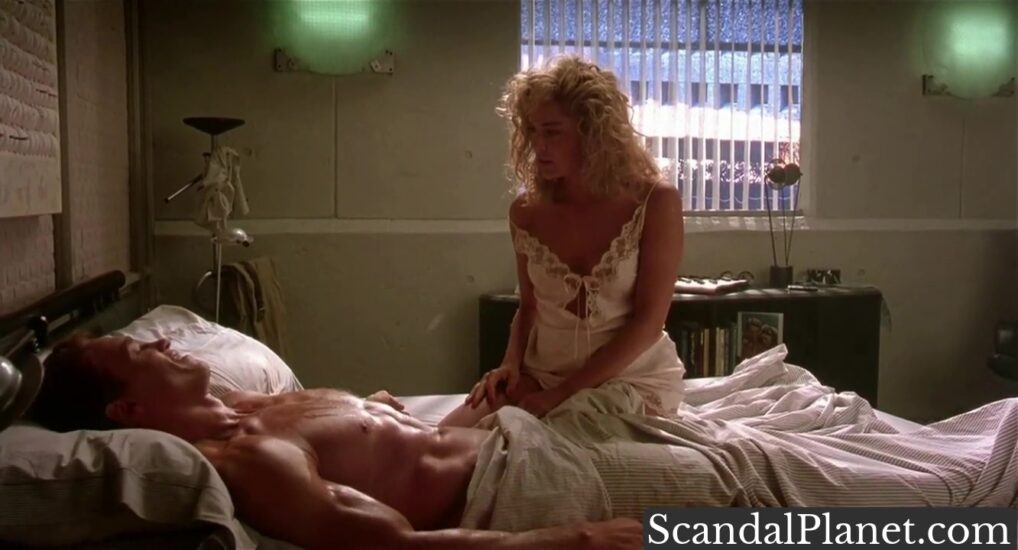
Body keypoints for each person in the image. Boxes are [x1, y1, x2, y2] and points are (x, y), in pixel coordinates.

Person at [30, 335, 642, 550]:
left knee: (694, 440)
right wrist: (574, 540)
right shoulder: (250, 460)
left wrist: (379, 414)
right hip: (529, 488)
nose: (164, 344)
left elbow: (373, 445)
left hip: (522, 444)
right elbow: (395, 547)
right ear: (127, 410)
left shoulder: (242, 405)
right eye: (142, 351)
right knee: (698, 523)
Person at [440, 55, 685, 427]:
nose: (538, 146)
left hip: (629, 379)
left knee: (531, 441)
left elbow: (649, 323)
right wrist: (510, 365)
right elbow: (529, 307)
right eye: (533, 131)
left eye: (552, 132)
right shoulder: (526, 212)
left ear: (593, 133)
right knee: (444, 435)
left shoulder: (654, 201)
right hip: (544, 375)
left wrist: (560, 395)